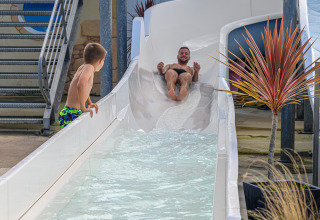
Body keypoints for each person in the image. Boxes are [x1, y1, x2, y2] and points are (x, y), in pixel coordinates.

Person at [58, 43, 107, 128]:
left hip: (68, 111)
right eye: (103, 61)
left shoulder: (83, 66)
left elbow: (84, 88)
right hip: (73, 113)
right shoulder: (89, 68)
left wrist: (89, 103)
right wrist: (83, 108)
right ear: (100, 60)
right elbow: (80, 85)